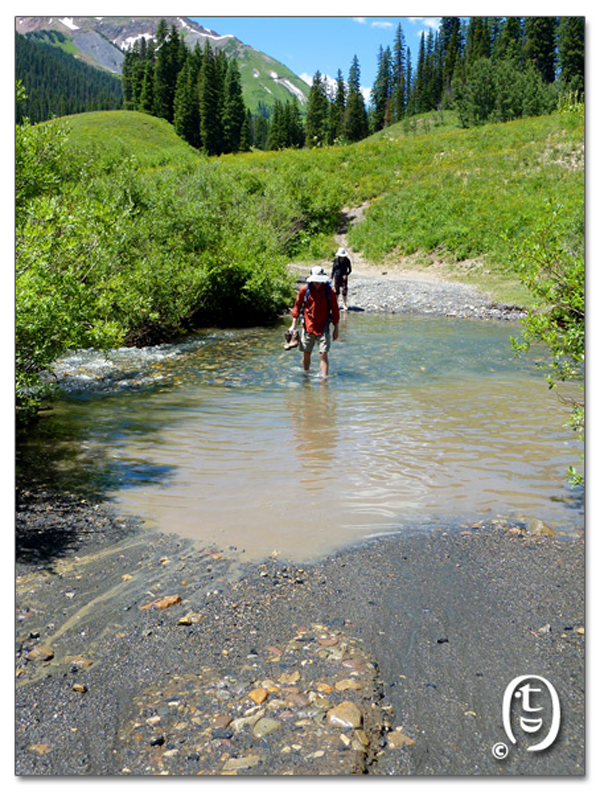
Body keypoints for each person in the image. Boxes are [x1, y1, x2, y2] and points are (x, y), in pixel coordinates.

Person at [289, 266, 340, 377]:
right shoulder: (304, 290)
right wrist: (293, 325)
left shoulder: (329, 291)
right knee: (307, 353)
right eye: (315, 280)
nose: (317, 283)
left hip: (323, 326)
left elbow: (335, 310)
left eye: (319, 280)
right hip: (308, 326)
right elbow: (297, 307)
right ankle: (306, 375)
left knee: (323, 353)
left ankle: (324, 379)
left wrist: (336, 328)